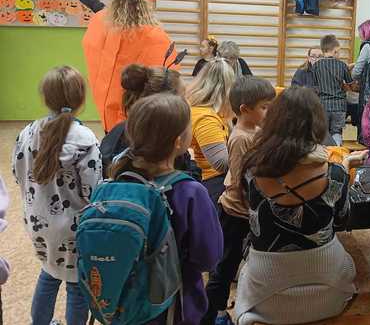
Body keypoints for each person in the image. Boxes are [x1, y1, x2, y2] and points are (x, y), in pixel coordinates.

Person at [233, 88, 365, 325]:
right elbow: (342, 220)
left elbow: (249, 216)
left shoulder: (252, 170)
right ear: (317, 124)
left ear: (273, 121)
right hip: (328, 292)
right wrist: (344, 167)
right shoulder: (335, 174)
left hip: (264, 295)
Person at [110, 94, 223, 325]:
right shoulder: (190, 192)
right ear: (178, 142)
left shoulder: (115, 182)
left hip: (122, 303)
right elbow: (208, 259)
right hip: (173, 308)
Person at [12, 66, 102, 325]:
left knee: (48, 273)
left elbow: (17, 172)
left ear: (45, 98)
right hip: (74, 230)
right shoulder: (86, 138)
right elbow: (92, 192)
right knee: (76, 286)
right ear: (81, 99)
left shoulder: (28, 131)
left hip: (37, 223)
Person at [50, 0, 178, 132]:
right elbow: (167, 75)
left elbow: (92, 3)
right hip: (137, 113)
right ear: (146, 2)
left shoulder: (105, 21)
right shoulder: (153, 36)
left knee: (113, 138)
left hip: (108, 109)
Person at [203, 77, 276, 325]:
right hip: (235, 212)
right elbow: (237, 179)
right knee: (224, 268)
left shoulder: (255, 130)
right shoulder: (239, 138)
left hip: (250, 210)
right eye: (264, 107)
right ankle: (213, 314)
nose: (269, 112)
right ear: (245, 109)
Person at [99, 63, 201, 180]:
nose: (188, 102)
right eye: (183, 96)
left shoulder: (120, 132)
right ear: (166, 103)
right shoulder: (164, 141)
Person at [186, 57, 237, 204]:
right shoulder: (205, 118)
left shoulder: (203, 109)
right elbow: (221, 163)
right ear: (226, 88)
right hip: (212, 182)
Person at [312, 34, 353, 146]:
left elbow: (315, 87)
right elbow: (350, 85)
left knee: (323, 133)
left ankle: (324, 155)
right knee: (337, 132)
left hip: (323, 105)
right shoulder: (342, 65)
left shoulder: (316, 66)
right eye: (339, 52)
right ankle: (337, 153)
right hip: (339, 106)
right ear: (335, 51)